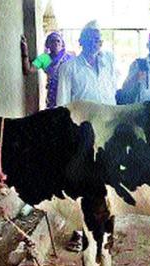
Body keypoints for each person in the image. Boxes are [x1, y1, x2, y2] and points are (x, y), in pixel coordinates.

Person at [57, 20, 118, 251]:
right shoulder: (69, 68)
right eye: (92, 37)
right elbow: (62, 106)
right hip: (82, 134)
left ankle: (105, 230)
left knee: (106, 182)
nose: (97, 41)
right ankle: (78, 232)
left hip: (108, 133)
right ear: (81, 41)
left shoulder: (109, 61)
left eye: (99, 37)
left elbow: (113, 95)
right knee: (80, 184)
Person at [57, 20, 117, 106]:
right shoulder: (68, 67)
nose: (93, 43)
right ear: (80, 41)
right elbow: (62, 103)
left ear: (101, 43)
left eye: (97, 40)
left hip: (110, 118)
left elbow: (113, 89)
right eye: (88, 39)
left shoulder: (108, 63)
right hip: (83, 119)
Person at [20, 32, 74, 109]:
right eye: (52, 41)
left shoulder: (70, 58)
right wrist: (24, 51)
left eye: (58, 41)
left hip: (68, 93)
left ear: (62, 44)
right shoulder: (44, 58)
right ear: (48, 44)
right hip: (53, 95)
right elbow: (28, 70)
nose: (55, 43)